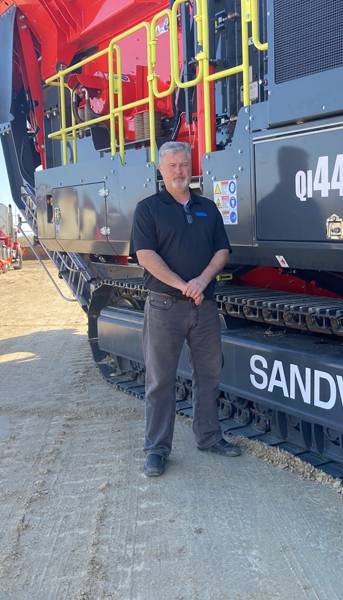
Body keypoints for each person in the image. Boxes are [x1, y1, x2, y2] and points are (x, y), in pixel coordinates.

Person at [131, 141, 240, 478]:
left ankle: (208, 437)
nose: (179, 171)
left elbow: (222, 251)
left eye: (184, 165)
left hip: (203, 306)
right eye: (172, 166)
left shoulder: (208, 207)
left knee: (209, 375)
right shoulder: (148, 209)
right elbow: (145, 256)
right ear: (161, 170)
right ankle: (156, 450)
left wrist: (202, 282)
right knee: (160, 380)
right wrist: (183, 285)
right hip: (165, 306)